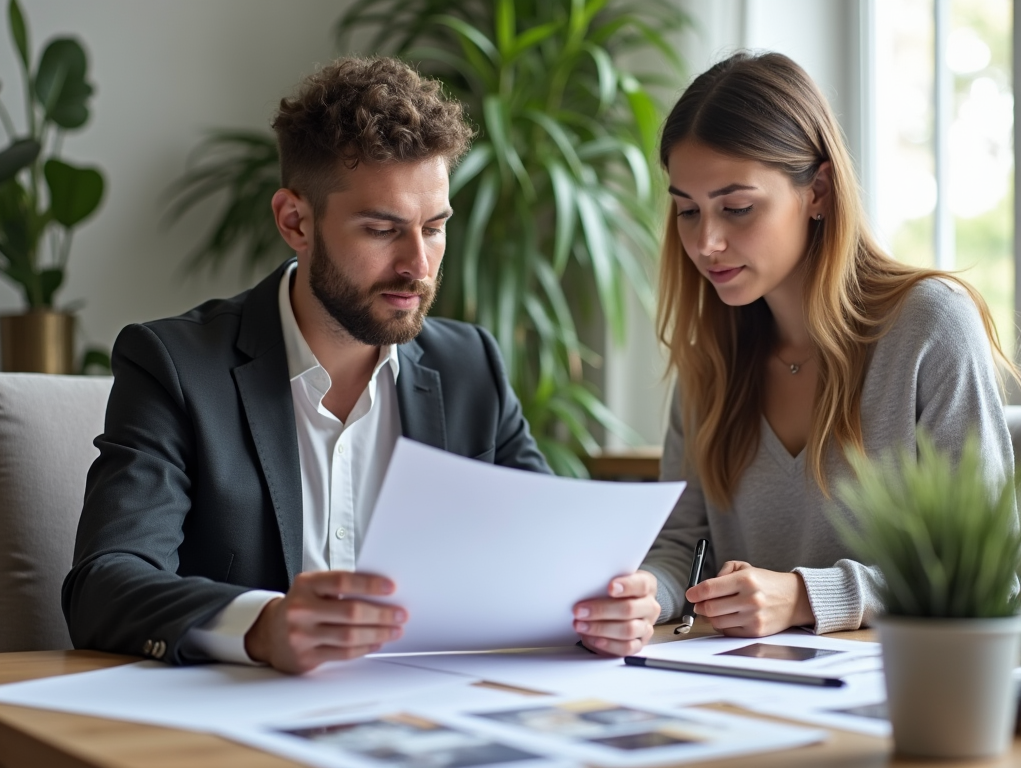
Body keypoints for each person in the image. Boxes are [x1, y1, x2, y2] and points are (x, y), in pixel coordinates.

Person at [62, 57, 659, 672]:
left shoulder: (471, 365)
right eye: (382, 230)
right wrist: (261, 625)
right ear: (295, 221)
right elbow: (104, 586)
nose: (418, 266)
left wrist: (611, 605)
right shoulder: (178, 366)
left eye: (434, 228)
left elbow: (553, 560)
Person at [641, 51, 1017, 637]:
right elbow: (682, 547)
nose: (707, 242)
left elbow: (991, 575)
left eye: (736, 208)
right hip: (740, 689)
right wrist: (645, 594)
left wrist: (804, 596)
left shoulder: (930, 326)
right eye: (688, 211)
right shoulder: (710, 356)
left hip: (902, 691)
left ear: (817, 190)